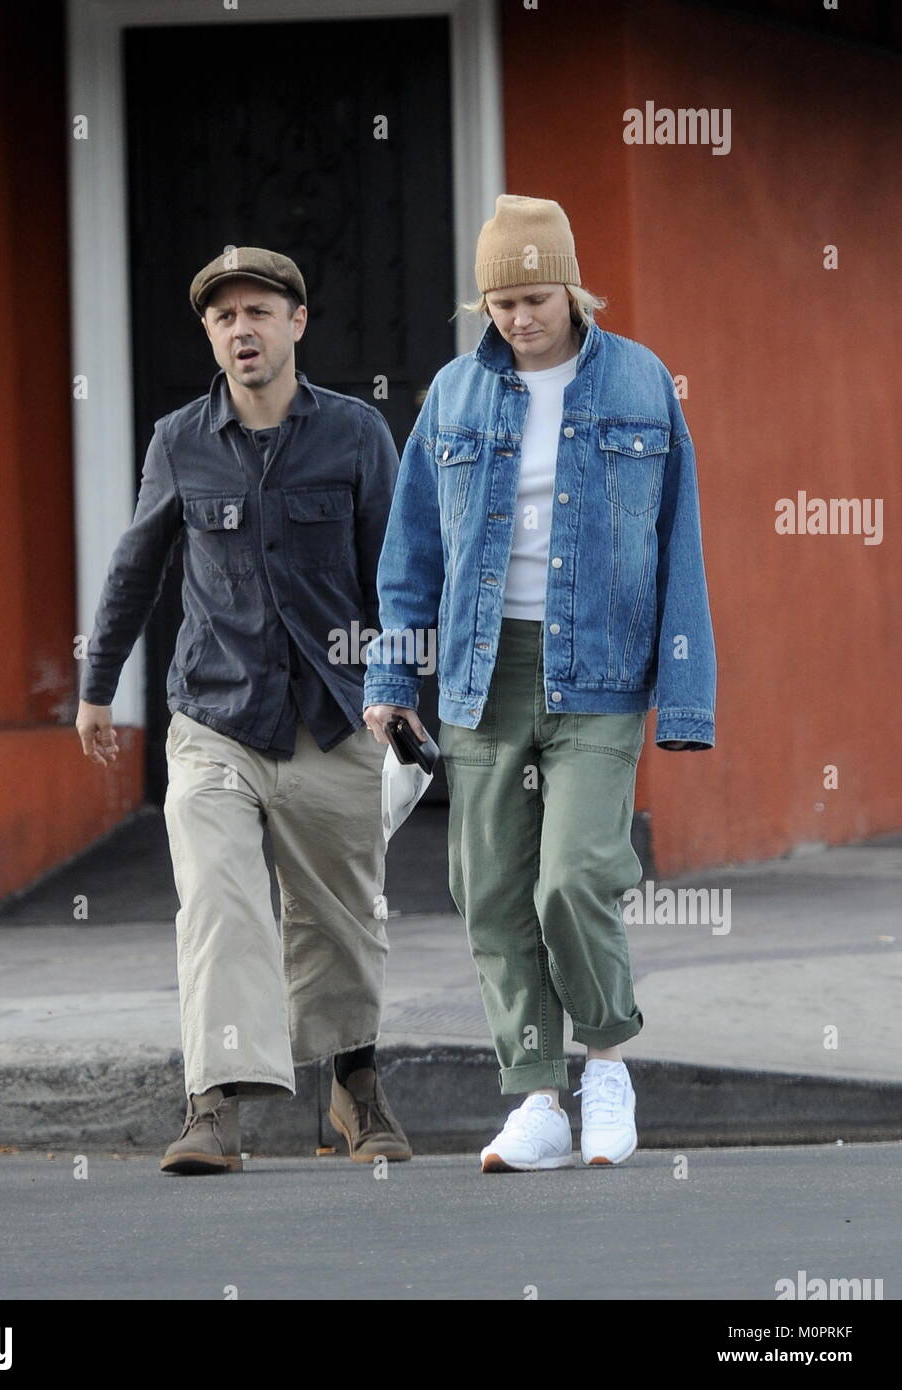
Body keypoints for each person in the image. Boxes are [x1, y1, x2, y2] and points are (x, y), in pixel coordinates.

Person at [363, 195, 716, 1172]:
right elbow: (411, 551)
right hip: (484, 675)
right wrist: (392, 673)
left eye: (535, 295)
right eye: (500, 301)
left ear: (572, 287)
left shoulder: (642, 383)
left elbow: (677, 545)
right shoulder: (453, 396)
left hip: (600, 675)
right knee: (490, 891)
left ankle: (605, 1064)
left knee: (574, 876)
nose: (519, 318)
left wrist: (687, 696)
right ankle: (536, 1099)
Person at [76, 246, 412, 1175]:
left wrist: (400, 690)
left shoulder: (354, 434)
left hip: (333, 716)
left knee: (339, 916)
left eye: (258, 311)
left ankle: (354, 1085)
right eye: (224, 317)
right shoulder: (179, 439)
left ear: (296, 323)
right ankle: (213, 1104)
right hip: (216, 716)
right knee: (220, 901)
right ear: (211, 336)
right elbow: (136, 566)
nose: (242, 329)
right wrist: (97, 686)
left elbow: (396, 575)